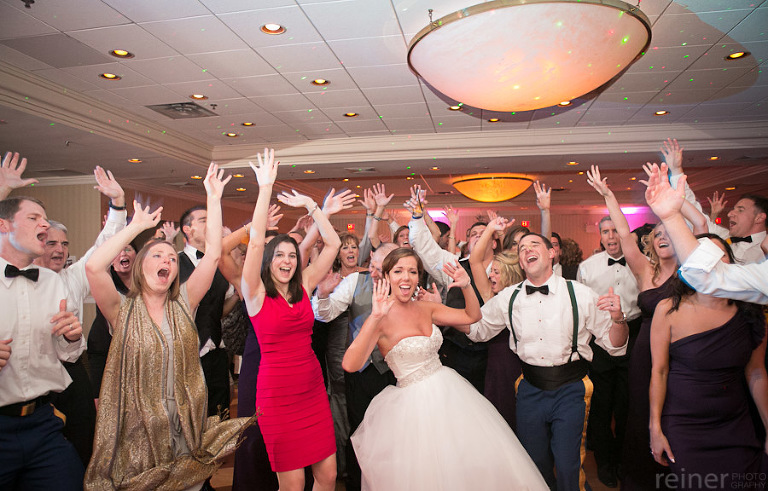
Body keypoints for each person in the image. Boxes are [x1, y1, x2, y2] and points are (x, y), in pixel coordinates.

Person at [84, 163, 252, 490]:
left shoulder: (184, 304)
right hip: (135, 431)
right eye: (157, 256)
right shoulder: (122, 311)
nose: (167, 261)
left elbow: (214, 253)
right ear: (139, 266)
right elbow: (93, 266)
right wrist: (135, 227)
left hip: (183, 425)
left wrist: (214, 198)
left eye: (171, 259)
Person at [343, 247, 548, 491]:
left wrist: (466, 284)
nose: (406, 277)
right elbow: (350, 364)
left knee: (465, 466)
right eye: (398, 271)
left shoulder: (425, 308)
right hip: (412, 409)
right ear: (386, 276)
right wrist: (375, 317)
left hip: (450, 394)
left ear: (419, 277)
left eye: (412, 271)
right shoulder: (380, 317)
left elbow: (472, 316)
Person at [463, 233, 629, 491]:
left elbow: (615, 346)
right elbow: (477, 329)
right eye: (521, 249)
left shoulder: (581, 294)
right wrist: (441, 309)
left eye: (534, 245)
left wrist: (618, 318)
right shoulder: (509, 297)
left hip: (571, 389)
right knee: (534, 463)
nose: (526, 250)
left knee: (567, 464)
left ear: (552, 252)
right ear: (520, 262)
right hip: (529, 388)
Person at [586, 163, 705, 490]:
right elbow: (625, 233)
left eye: (670, 232)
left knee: (680, 410)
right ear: (650, 244)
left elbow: (702, 223)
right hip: (647, 352)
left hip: (686, 350)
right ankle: (642, 477)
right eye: (657, 235)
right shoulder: (644, 273)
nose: (664, 237)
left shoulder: (694, 271)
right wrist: (609, 195)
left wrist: (676, 189)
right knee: (638, 414)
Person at [241, 148, 347, 491]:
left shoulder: (303, 284)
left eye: (291, 255)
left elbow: (331, 243)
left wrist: (313, 207)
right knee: (293, 484)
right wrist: (265, 187)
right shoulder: (255, 293)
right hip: (277, 396)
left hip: (312, 390)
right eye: (279, 255)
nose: (286, 261)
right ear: (269, 261)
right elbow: (256, 241)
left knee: (328, 476)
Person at [649, 234, 768, 491]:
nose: (712, 262)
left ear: (731, 263)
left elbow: (756, 372)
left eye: (720, 254)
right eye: (704, 255)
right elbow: (659, 372)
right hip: (685, 426)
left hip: (735, 423)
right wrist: (655, 428)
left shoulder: (750, 310)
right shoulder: (668, 309)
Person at [31, 165, 128, 466]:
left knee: (83, 442)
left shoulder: (74, 276)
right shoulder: (14, 280)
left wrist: (118, 204)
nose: (59, 250)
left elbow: (106, 244)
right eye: (51, 243)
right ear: (36, 244)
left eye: (64, 244)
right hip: (34, 379)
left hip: (74, 374)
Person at [0, 195, 85, 490]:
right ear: (3, 226)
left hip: (42, 423)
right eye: (34, 218)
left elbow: (67, 354)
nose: (45, 224)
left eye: (45, 219)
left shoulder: (52, 282)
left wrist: (72, 337)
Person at [312, 242, 399, 491]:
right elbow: (325, 314)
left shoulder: (406, 286)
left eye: (379, 269)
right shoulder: (354, 283)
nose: (372, 272)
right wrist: (324, 294)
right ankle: (356, 483)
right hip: (360, 372)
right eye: (371, 265)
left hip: (394, 371)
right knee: (358, 430)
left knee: (393, 432)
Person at [576, 215, 641, 488]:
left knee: (629, 404)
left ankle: (627, 463)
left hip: (636, 334)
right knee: (601, 405)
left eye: (616, 231)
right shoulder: (587, 267)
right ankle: (604, 462)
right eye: (606, 231)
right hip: (599, 339)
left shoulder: (640, 264)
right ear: (599, 235)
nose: (611, 237)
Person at [468, 215, 525, 430]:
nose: (490, 275)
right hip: (497, 365)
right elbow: (474, 260)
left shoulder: (523, 296)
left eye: (496, 271)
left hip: (523, 365)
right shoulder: (490, 296)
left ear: (509, 275)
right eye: (491, 270)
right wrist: (490, 229)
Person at [179, 200, 232, 420]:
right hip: (188, 355)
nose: (210, 225)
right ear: (187, 230)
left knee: (220, 417)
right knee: (192, 417)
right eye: (204, 221)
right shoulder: (175, 263)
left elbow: (218, 309)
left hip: (217, 352)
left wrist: (238, 296)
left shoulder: (220, 264)